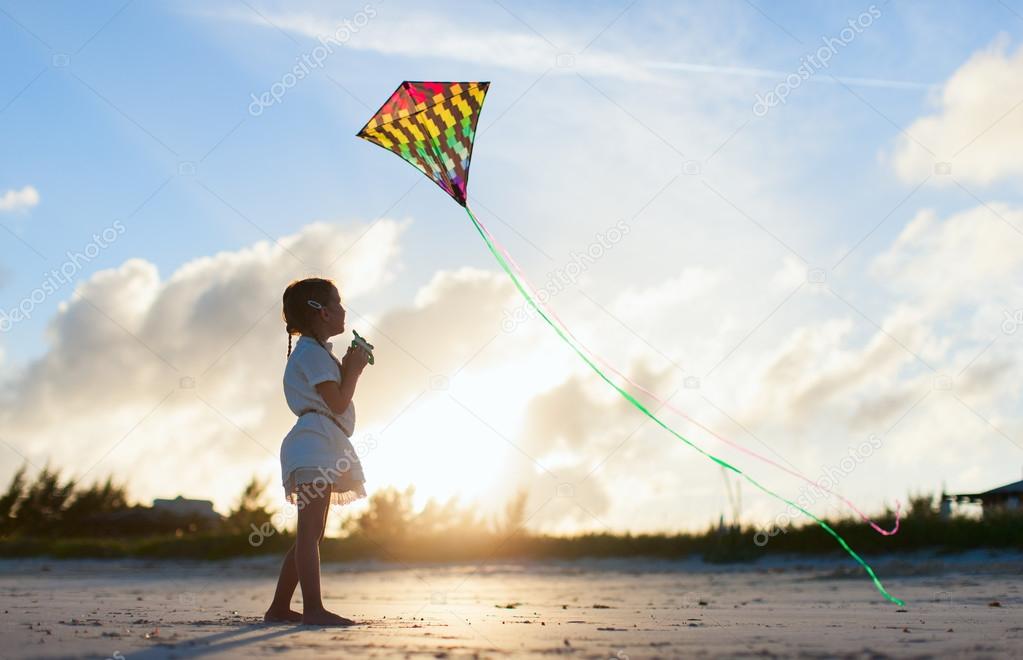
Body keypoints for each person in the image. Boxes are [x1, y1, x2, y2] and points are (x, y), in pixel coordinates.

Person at [264, 277, 372, 626]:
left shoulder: (317, 353)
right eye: (338, 304)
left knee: (312, 533)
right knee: (309, 533)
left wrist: (345, 365)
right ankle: (313, 608)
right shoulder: (311, 353)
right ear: (322, 312)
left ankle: (280, 608)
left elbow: (334, 400)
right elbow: (338, 403)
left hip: (320, 442)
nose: (343, 310)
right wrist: (353, 371)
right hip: (313, 444)